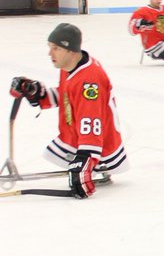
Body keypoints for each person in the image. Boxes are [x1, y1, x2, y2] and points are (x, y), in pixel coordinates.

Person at [8, 23, 127, 198]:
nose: (50, 54)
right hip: (76, 134)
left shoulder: (89, 81)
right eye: (50, 47)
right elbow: (67, 95)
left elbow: (92, 122)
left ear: (71, 50)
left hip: (102, 148)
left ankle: (95, 163)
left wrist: (84, 161)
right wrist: (37, 92)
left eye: (56, 48)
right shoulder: (72, 66)